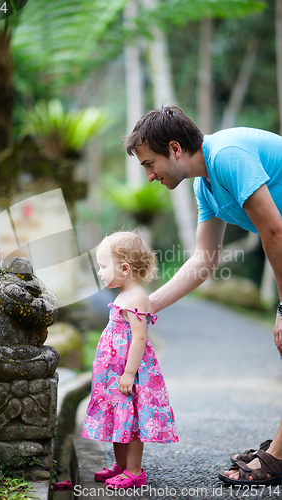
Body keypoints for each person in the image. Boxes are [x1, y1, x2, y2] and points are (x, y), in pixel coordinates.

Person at [124, 106, 282, 486]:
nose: (149, 176)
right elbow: (204, 259)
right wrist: (146, 305)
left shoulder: (226, 155)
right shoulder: (204, 184)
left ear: (175, 149)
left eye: (150, 164)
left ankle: (278, 456)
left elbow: (274, 231)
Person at [81, 231, 179, 490]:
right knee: (118, 415)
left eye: (103, 267)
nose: (100, 273)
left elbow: (139, 338)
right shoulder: (124, 293)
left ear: (124, 268)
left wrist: (128, 373)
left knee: (132, 418)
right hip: (114, 372)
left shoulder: (136, 297)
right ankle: (121, 465)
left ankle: (134, 470)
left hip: (128, 372)